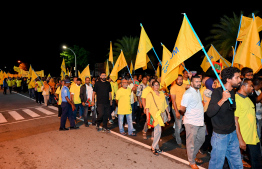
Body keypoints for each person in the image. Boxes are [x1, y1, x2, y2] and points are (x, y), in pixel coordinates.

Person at [206, 67, 242, 169]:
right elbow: (209, 113)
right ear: (228, 79)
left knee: (237, 164)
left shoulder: (233, 92)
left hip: (232, 134)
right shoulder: (218, 92)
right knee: (216, 165)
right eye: (237, 77)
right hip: (220, 136)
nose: (240, 80)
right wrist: (222, 99)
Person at [235, 78, 262, 169]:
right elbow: (235, 120)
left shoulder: (247, 98)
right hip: (244, 137)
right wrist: (240, 139)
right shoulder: (237, 99)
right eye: (250, 86)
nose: (252, 88)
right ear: (243, 86)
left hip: (253, 137)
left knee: (257, 161)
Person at [180, 76, 205, 169]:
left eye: (199, 81)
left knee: (201, 139)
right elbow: (182, 108)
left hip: (200, 121)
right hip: (191, 122)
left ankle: (193, 155)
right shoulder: (188, 94)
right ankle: (191, 161)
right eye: (196, 81)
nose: (198, 83)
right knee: (191, 142)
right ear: (191, 83)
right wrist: (182, 116)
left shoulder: (198, 91)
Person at [145, 81, 171, 156]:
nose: (157, 86)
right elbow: (147, 107)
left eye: (158, 85)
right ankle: (153, 147)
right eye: (155, 85)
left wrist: (168, 114)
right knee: (158, 130)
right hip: (154, 115)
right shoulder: (150, 95)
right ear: (152, 86)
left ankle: (157, 147)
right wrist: (148, 118)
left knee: (158, 132)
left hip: (162, 115)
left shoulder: (162, 94)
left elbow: (165, 105)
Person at [170, 75, 187, 149]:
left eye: (181, 79)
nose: (180, 81)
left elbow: (193, 86)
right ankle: (179, 141)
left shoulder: (185, 86)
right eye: (178, 79)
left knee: (185, 124)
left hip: (185, 109)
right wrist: (176, 112)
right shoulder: (173, 88)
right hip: (177, 109)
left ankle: (175, 134)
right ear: (175, 80)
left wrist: (190, 77)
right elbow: (173, 101)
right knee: (178, 126)